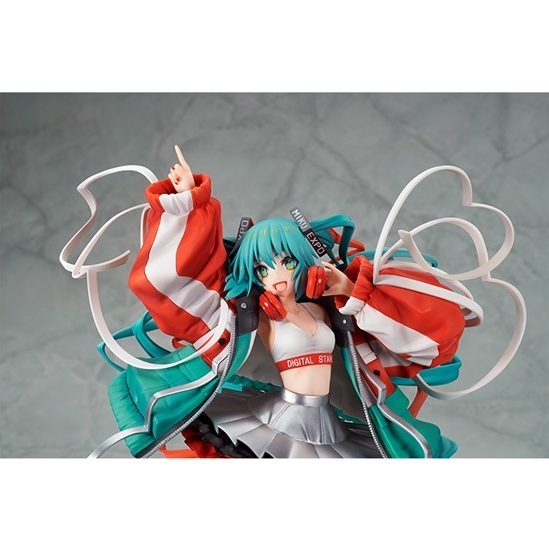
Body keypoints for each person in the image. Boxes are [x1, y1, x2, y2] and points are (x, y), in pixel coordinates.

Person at [61, 145, 526, 459]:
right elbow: (180, 288)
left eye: (284, 262)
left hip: (333, 425)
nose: (276, 276)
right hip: (272, 418)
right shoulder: (249, 316)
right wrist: (188, 203)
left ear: (302, 261)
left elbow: (426, 340)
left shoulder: (335, 311)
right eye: (263, 269)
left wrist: (351, 291)